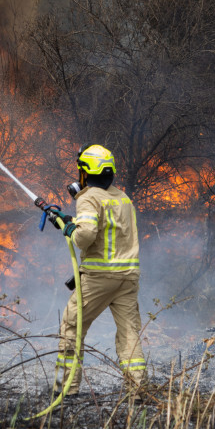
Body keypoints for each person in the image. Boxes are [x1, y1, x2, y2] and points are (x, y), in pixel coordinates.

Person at [51, 144, 145, 398]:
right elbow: (107, 230)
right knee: (129, 332)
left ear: (85, 172)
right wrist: (72, 222)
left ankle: (66, 389)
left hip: (100, 277)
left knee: (72, 327)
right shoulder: (122, 198)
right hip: (128, 277)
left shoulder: (88, 197)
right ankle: (135, 390)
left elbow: (85, 237)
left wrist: (70, 229)